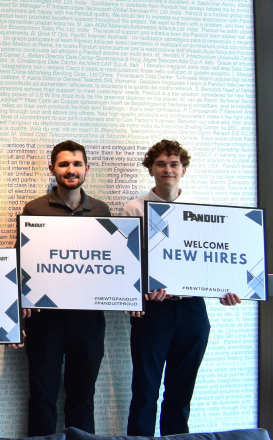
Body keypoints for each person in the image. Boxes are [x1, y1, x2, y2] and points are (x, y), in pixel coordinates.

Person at [122, 140, 241, 435]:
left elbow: (212, 261)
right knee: (145, 392)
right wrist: (136, 297)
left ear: (183, 170)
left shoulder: (201, 212)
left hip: (193, 310)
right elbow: (124, 263)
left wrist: (227, 289)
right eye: (160, 163)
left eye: (174, 163)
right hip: (154, 310)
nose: (167, 169)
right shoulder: (134, 208)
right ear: (150, 169)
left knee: (181, 392)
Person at [19, 140, 111, 435]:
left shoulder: (101, 209)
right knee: (42, 395)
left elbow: (111, 260)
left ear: (86, 169)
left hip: (89, 317)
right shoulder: (34, 209)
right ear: (52, 169)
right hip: (46, 318)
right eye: (63, 164)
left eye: (76, 164)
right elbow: (26, 260)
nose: (70, 170)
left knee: (83, 396)